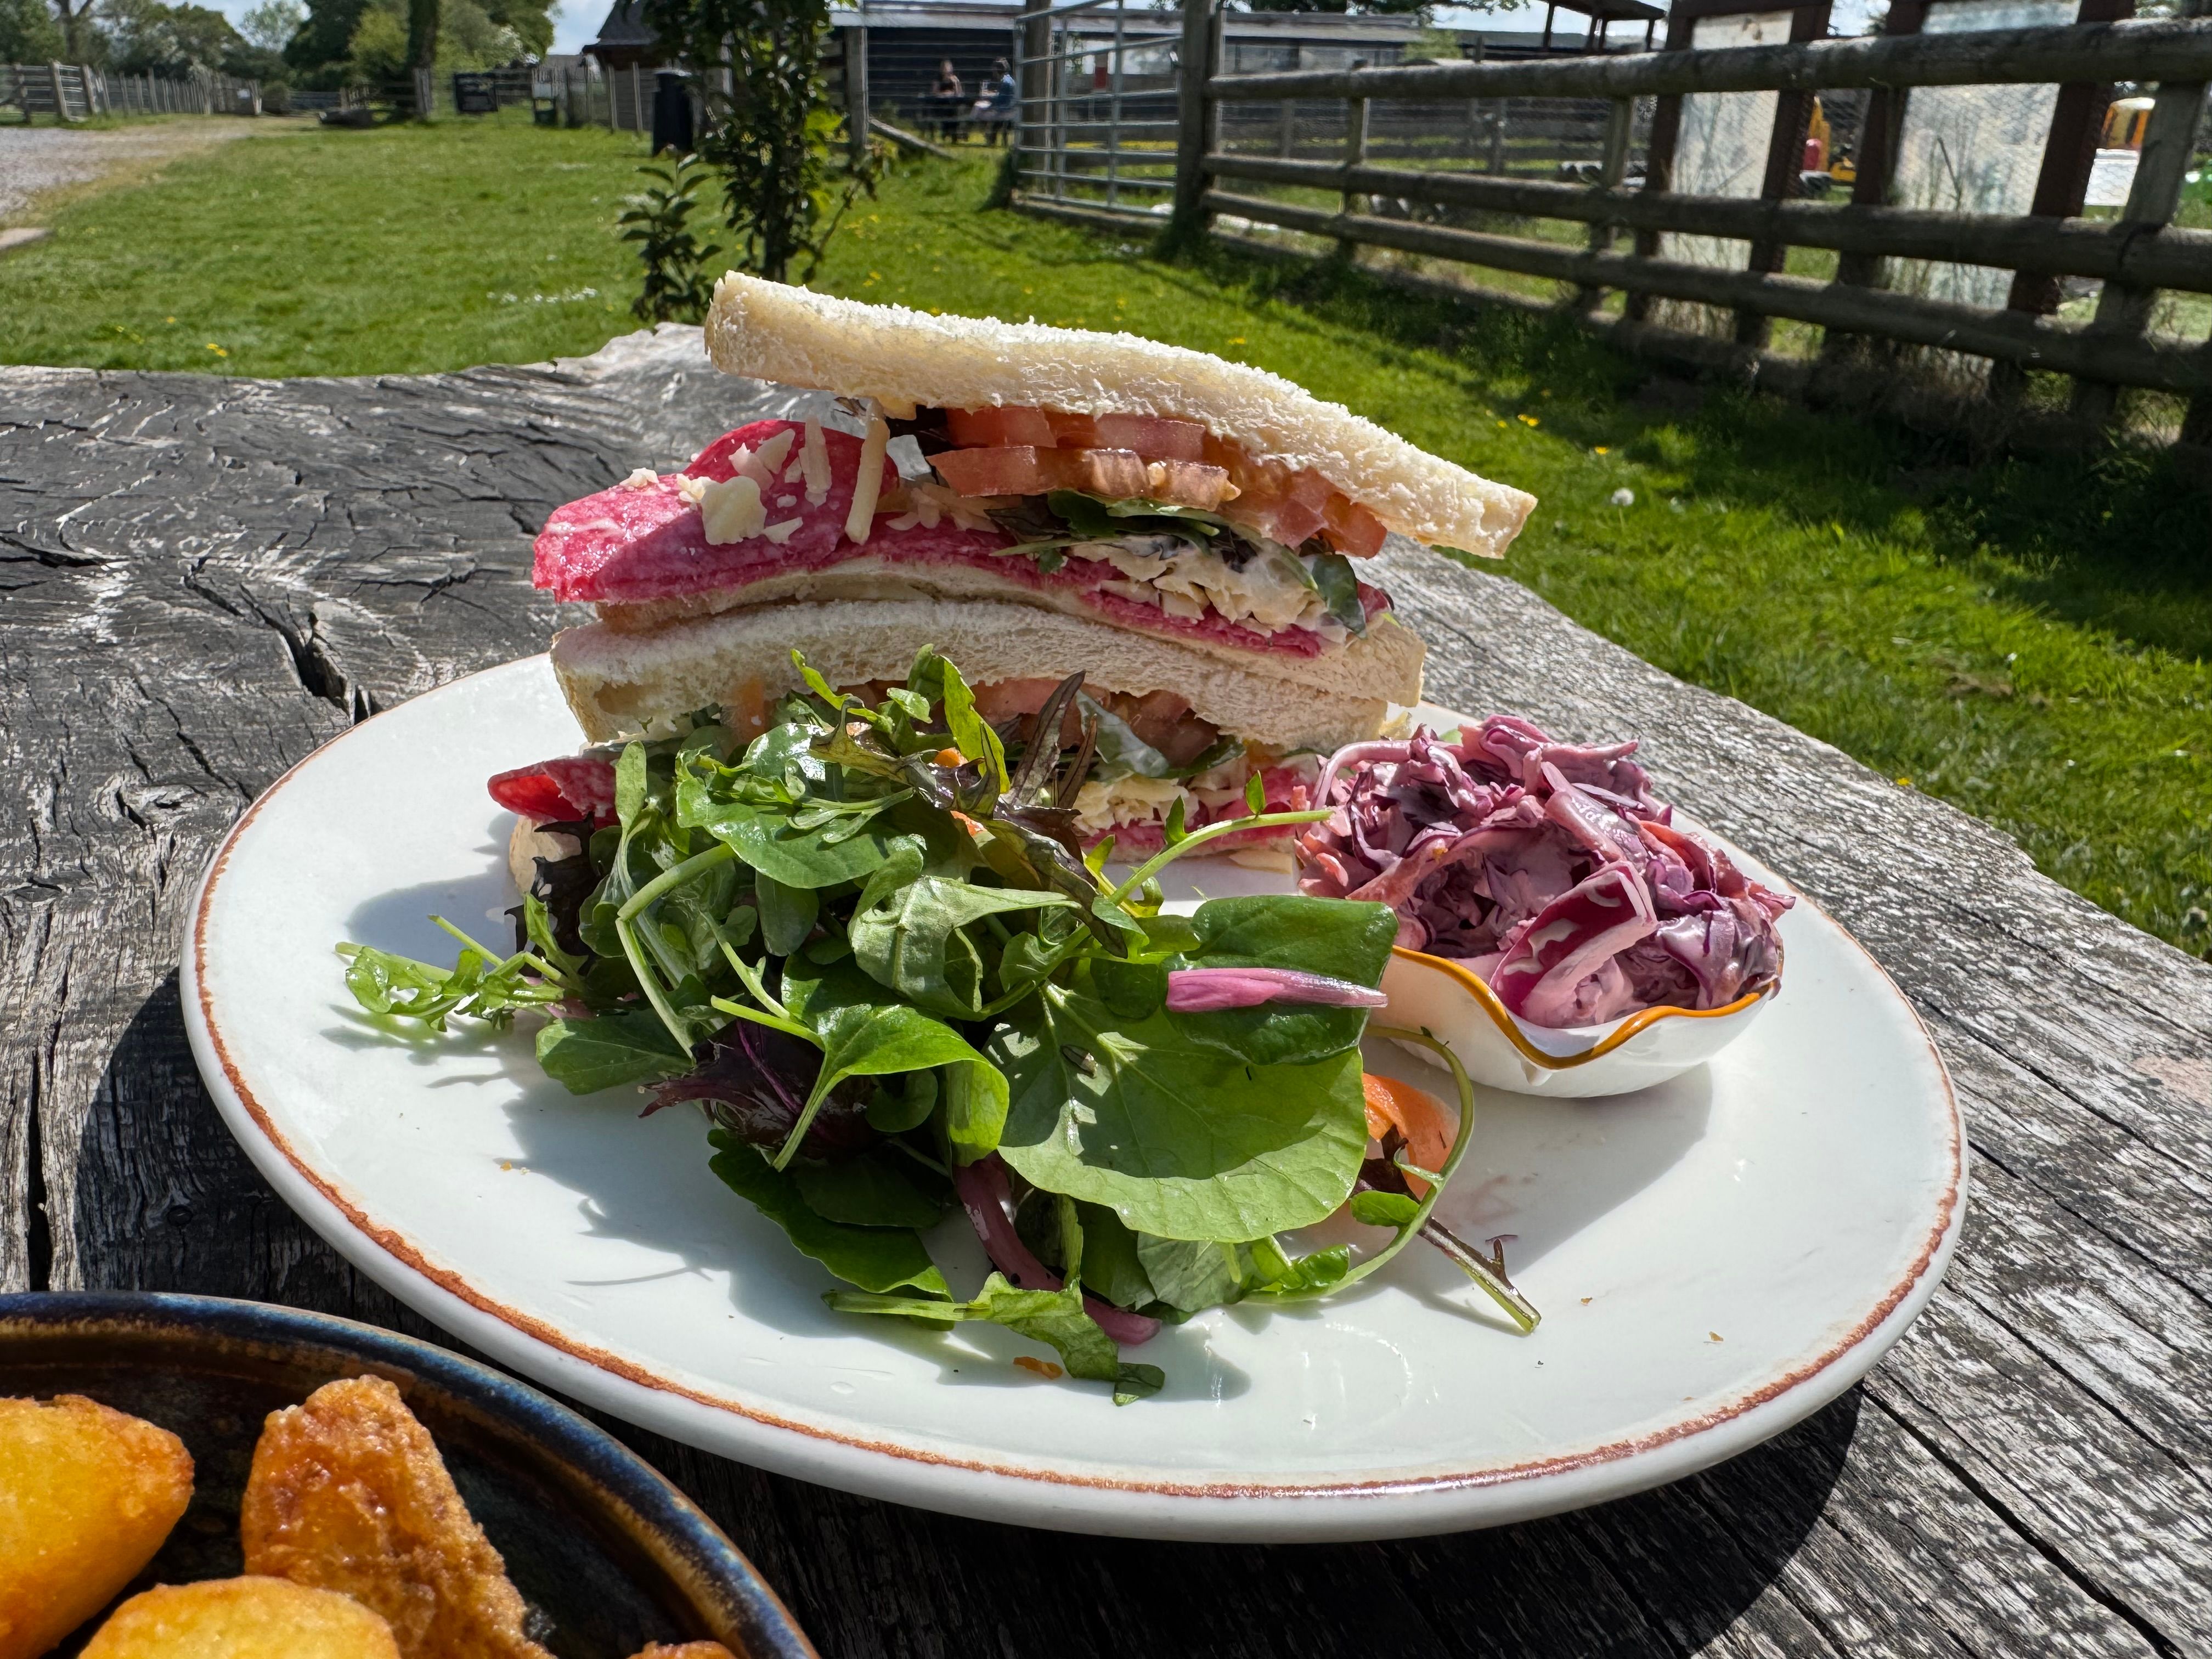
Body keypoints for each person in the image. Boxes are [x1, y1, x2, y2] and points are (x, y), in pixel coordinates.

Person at [972, 57, 1016, 147]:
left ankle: (987, 134)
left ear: (997, 70)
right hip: (1008, 108)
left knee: (978, 110)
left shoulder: (1005, 82)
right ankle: (990, 135)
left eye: (994, 69)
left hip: (1004, 111)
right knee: (981, 108)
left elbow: (1000, 101)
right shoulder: (1008, 79)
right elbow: (1003, 96)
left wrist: (988, 97)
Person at [927, 59, 963, 142]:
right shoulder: (938, 80)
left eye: (948, 67)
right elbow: (934, 93)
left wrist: (956, 83)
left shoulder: (954, 79)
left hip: (952, 104)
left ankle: (954, 136)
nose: (946, 69)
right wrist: (943, 94)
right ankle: (946, 133)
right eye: (944, 67)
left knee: (955, 112)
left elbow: (960, 94)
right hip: (940, 105)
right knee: (946, 111)